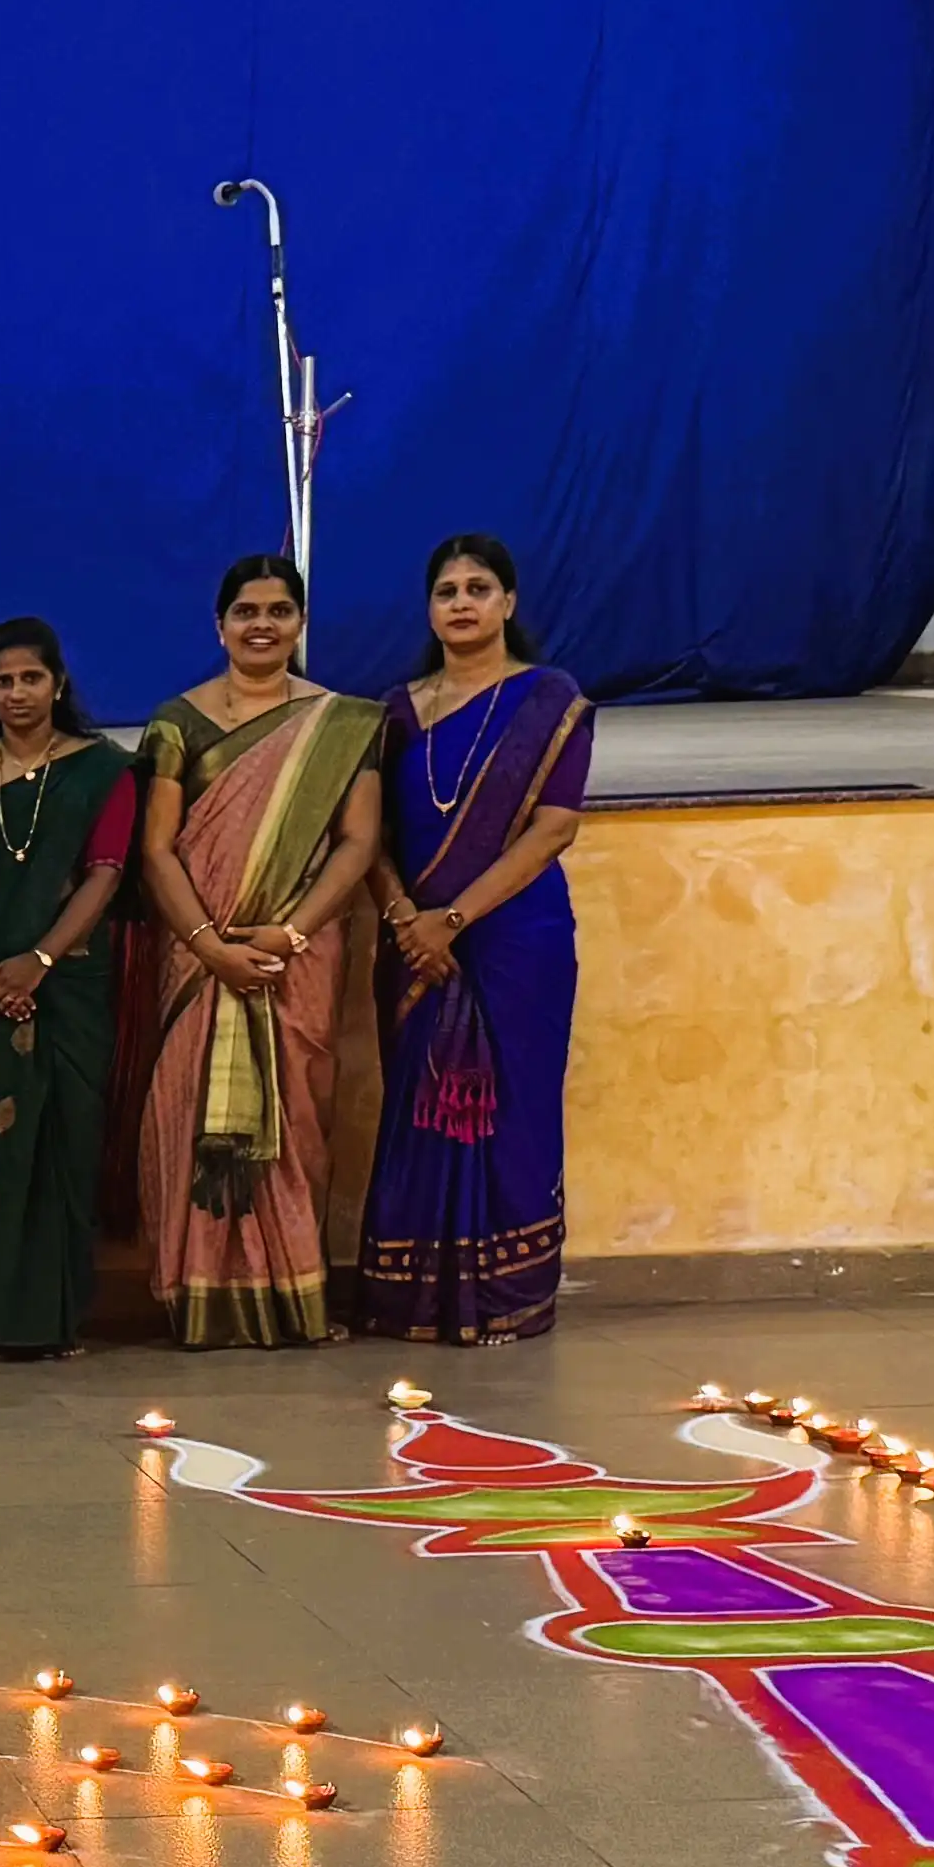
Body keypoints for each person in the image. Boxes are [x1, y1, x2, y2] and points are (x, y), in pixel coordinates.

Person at [133, 556, 393, 1347]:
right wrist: (211, 946)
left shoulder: (344, 724)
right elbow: (157, 849)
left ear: (300, 623)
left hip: (296, 957)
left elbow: (358, 844)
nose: (262, 624)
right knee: (187, 1118)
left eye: (279, 611)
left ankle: (291, 1297)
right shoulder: (178, 720)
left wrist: (289, 933)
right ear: (220, 625)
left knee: (297, 1119)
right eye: (245, 611)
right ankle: (201, 1297)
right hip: (198, 957)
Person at [353, 534, 596, 1344]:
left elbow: (553, 828)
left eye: (479, 588)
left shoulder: (548, 700)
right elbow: (370, 838)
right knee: (417, 1105)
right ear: (430, 608)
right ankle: (412, 1300)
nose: (462, 603)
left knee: (514, 1108)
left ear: (509, 603)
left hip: (515, 939)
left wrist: (449, 920)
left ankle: (508, 1295)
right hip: (413, 943)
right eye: (447, 590)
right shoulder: (395, 710)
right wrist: (402, 920)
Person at [0, 617, 140, 1358]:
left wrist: (39, 960)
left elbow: (106, 874)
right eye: (2, 681)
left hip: (66, 988)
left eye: (30, 678)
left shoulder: (102, 770)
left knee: (57, 1149)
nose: (16, 693)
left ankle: (47, 1317)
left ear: (59, 683)